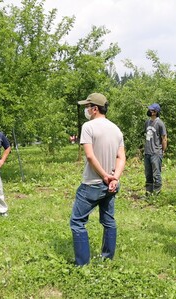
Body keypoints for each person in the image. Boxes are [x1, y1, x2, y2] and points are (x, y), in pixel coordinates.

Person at [70, 93, 126, 266]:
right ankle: (107, 258)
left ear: (94, 109)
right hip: (110, 185)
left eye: (88, 106)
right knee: (108, 221)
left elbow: (89, 156)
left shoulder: (88, 127)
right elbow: (121, 157)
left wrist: (104, 176)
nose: (86, 110)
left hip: (92, 184)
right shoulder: (116, 129)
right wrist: (114, 178)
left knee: (77, 222)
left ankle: (82, 264)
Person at [144, 103, 167, 196]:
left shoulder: (160, 123)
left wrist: (163, 150)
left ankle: (157, 193)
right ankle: (149, 192)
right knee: (148, 173)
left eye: (151, 110)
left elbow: (164, 138)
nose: (149, 111)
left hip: (156, 152)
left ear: (155, 112)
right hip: (147, 152)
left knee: (156, 173)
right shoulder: (147, 122)